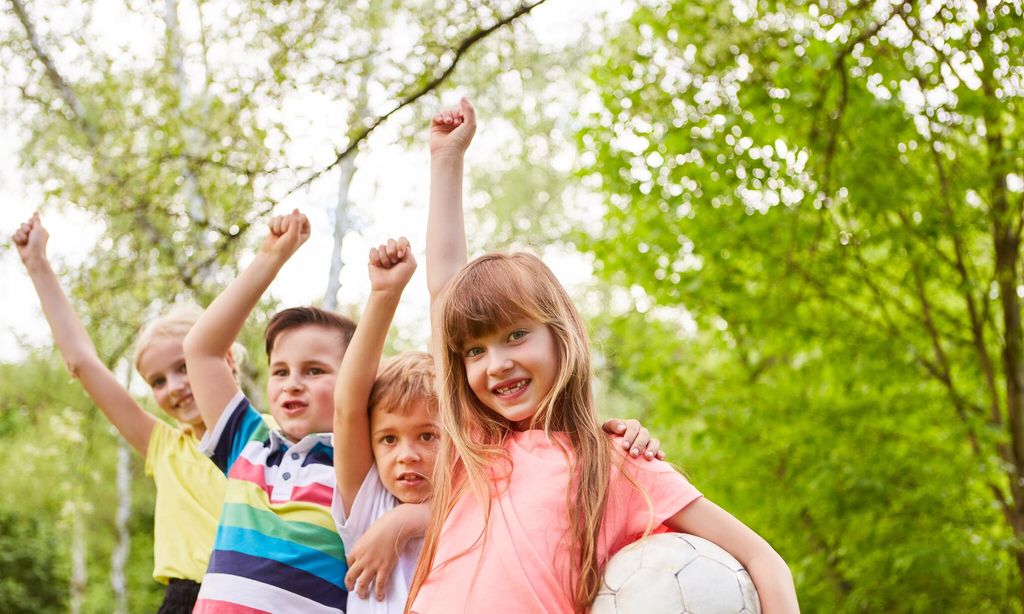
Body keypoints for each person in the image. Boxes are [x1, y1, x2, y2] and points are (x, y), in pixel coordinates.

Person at [406, 99, 801, 613]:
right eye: (475, 350)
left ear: (561, 335)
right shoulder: (474, 449)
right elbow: (445, 289)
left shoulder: (616, 463)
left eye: (516, 336)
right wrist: (446, 158)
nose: (495, 362)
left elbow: (762, 560)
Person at [333, 239, 670, 613]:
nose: (407, 454)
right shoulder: (370, 504)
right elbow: (347, 408)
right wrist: (383, 294)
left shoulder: (476, 477)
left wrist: (410, 519)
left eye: (428, 435)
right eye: (388, 439)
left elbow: (445, 290)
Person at [12, 213, 237, 613]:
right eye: (158, 381)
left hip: (260, 595)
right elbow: (82, 362)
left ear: (228, 358)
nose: (174, 387)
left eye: (184, 367)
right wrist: (37, 265)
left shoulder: (271, 438)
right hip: (187, 599)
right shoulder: (165, 447)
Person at [183, 210, 353, 613]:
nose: (292, 382)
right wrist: (270, 257)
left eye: (314, 371)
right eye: (281, 371)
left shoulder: (360, 464)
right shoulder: (250, 444)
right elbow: (201, 350)